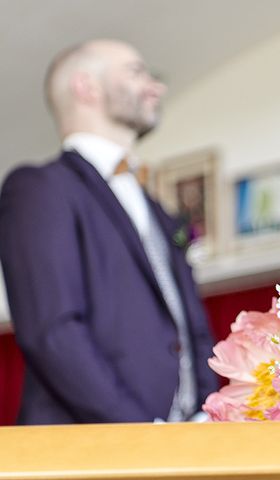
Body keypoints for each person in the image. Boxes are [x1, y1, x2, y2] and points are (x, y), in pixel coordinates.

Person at [0, 39, 218, 424]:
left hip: (182, 442)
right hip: (90, 447)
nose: (157, 87)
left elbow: (189, 321)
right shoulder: (39, 188)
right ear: (87, 87)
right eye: (136, 72)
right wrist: (138, 433)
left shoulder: (156, 207)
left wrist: (205, 410)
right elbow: (53, 332)